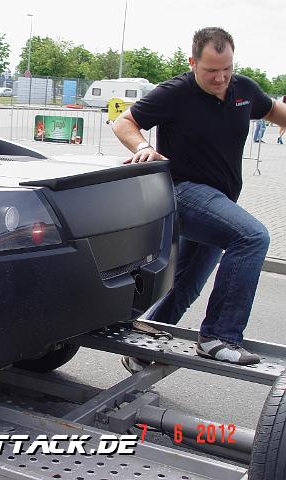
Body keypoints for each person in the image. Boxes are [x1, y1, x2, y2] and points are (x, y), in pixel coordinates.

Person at [112, 27, 286, 370]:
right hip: (183, 192)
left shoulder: (244, 90)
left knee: (185, 285)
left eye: (227, 69)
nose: (220, 78)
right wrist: (143, 147)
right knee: (252, 237)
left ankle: (141, 349)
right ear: (192, 63)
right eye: (211, 71)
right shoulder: (176, 92)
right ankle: (219, 337)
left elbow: (274, 112)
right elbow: (124, 122)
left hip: (218, 203)